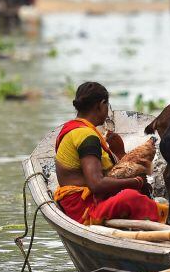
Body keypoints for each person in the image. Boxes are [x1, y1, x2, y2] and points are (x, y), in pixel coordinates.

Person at [54, 82, 159, 225]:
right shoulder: (86, 136)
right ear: (101, 105)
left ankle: (163, 209)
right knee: (130, 197)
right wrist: (136, 182)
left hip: (80, 203)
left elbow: (110, 173)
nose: (108, 111)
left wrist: (119, 152)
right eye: (107, 106)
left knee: (133, 193)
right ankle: (169, 212)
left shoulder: (72, 128)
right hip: (85, 210)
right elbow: (96, 184)